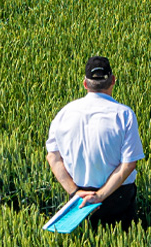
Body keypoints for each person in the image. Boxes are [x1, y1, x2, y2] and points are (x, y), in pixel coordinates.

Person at [45, 56, 145, 228]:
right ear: (113, 80)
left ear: (85, 84)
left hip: (79, 199)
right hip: (117, 195)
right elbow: (128, 164)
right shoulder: (124, 115)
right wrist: (100, 196)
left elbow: (52, 158)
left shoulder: (64, 113)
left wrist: (75, 192)